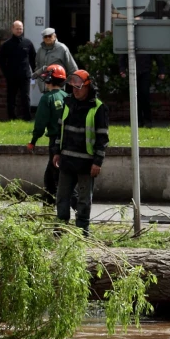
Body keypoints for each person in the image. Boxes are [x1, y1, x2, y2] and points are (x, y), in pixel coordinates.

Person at [52, 66, 107, 233]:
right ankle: (60, 230)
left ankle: (83, 231)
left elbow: (102, 138)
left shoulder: (98, 108)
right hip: (67, 160)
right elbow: (60, 128)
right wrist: (56, 151)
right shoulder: (68, 103)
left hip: (86, 163)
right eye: (73, 87)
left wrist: (97, 162)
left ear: (88, 87)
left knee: (83, 200)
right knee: (62, 197)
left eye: (79, 87)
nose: (75, 91)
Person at [27, 64, 68, 198]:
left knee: (52, 175)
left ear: (49, 80)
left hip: (54, 141)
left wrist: (33, 141)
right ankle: (52, 203)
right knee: (56, 172)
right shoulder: (67, 97)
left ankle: (53, 204)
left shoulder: (47, 99)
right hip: (68, 139)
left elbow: (40, 123)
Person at [0, 20, 35, 121]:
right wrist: (6, 73)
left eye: (20, 28)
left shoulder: (28, 43)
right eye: (17, 28)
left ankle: (27, 118)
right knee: (11, 97)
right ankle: (11, 118)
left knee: (25, 97)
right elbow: (1, 61)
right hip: (12, 76)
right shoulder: (6, 45)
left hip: (25, 75)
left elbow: (33, 59)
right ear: (12, 29)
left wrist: (34, 73)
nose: (19, 30)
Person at [33, 26, 76, 99]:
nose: (48, 38)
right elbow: (37, 67)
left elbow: (72, 67)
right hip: (45, 87)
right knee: (46, 107)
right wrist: (39, 79)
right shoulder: (40, 50)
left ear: (55, 36)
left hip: (58, 87)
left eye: (50, 36)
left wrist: (70, 82)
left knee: (57, 107)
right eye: (45, 37)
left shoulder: (62, 48)